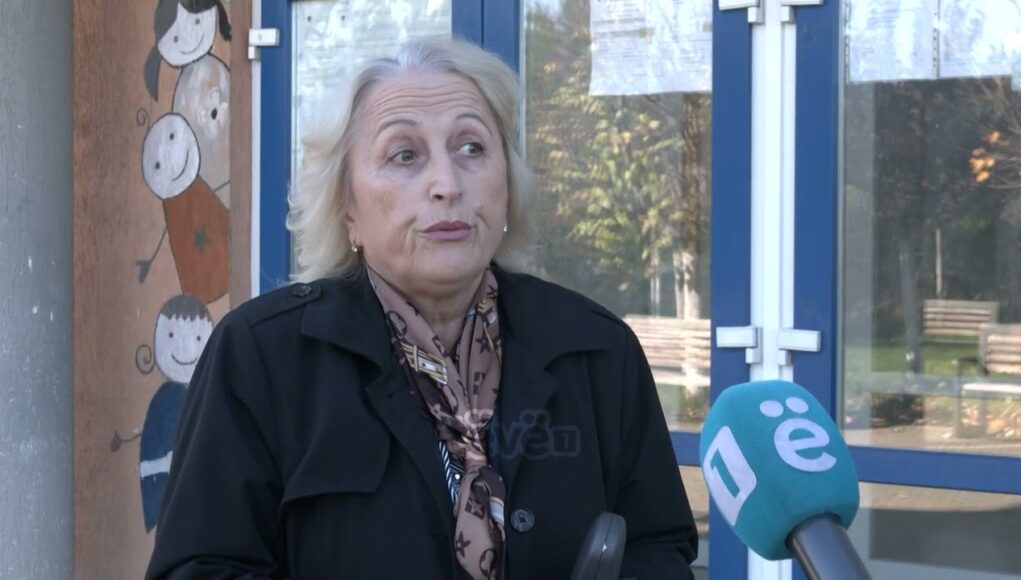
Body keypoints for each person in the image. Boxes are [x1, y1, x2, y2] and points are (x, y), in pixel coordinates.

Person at [145, 37, 698, 580]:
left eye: (471, 148)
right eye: (405, 155)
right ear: (347, 209)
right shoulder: (259, 357)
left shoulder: (597, 350)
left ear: (508, 185)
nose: (447, 184)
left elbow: (658, 549)